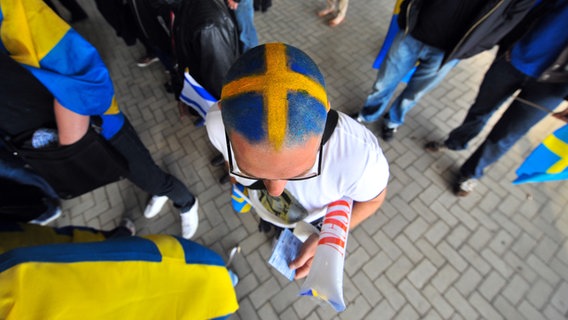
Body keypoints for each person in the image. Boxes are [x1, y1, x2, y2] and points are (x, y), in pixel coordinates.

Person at [0, 0, 199, 238]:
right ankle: (157, 188)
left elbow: (84, 72)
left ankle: (185, 202)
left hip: (99, 130)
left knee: (148, 175)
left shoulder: (12, 8)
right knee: (134, 172)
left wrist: (69, 144)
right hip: (50, 146)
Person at [205, 43, 390, 279]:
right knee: (270, 218)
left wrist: (327, 236)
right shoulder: (216, 123)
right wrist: (236, 175)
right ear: (223, 114)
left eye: (300, 172)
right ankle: (271, 223)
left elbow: (373, 201)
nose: (274, 191)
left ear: (324, 114)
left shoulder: (361, 159)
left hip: (313, 222)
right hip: (268, 210)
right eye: (254, 172)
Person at [424, 1, 568, 196]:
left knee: (506, 134)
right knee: (480, 110)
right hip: (512, 60)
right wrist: (506, 41)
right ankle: (455, 142)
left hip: (552, 88)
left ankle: (471, 173)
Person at [352, 0, 536, 142]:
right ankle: (368, 114)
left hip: (447, 52)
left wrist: (471, 49)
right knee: (384, 82)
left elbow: (508, 23)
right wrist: (407, 12)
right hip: (414, 32)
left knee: (414, 93)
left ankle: (392, 121)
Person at [0, 227, 238, 319]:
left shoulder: (15, 275)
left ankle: (229, 279)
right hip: (183, 278)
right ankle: (229, 279)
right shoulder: (15, 273)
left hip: (177, 277)